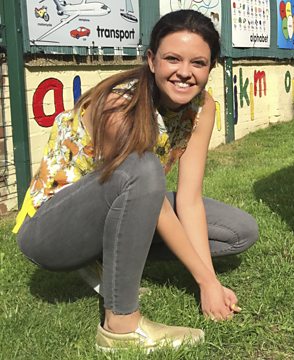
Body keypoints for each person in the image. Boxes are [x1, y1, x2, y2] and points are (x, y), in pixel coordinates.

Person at [12, 9, 258, 352]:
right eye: (172, 59)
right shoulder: (118, 103)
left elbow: (188, 199)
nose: (184, 73)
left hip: (117, 207)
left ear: (210, 67)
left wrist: (210, 283)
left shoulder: (203, 107)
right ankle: (121, 327)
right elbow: (146, 188)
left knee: (238, 230)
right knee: (142, 167)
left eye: (198, 63)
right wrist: (204, 278)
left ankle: (113, 268)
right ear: (152, 60)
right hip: (50, 231)